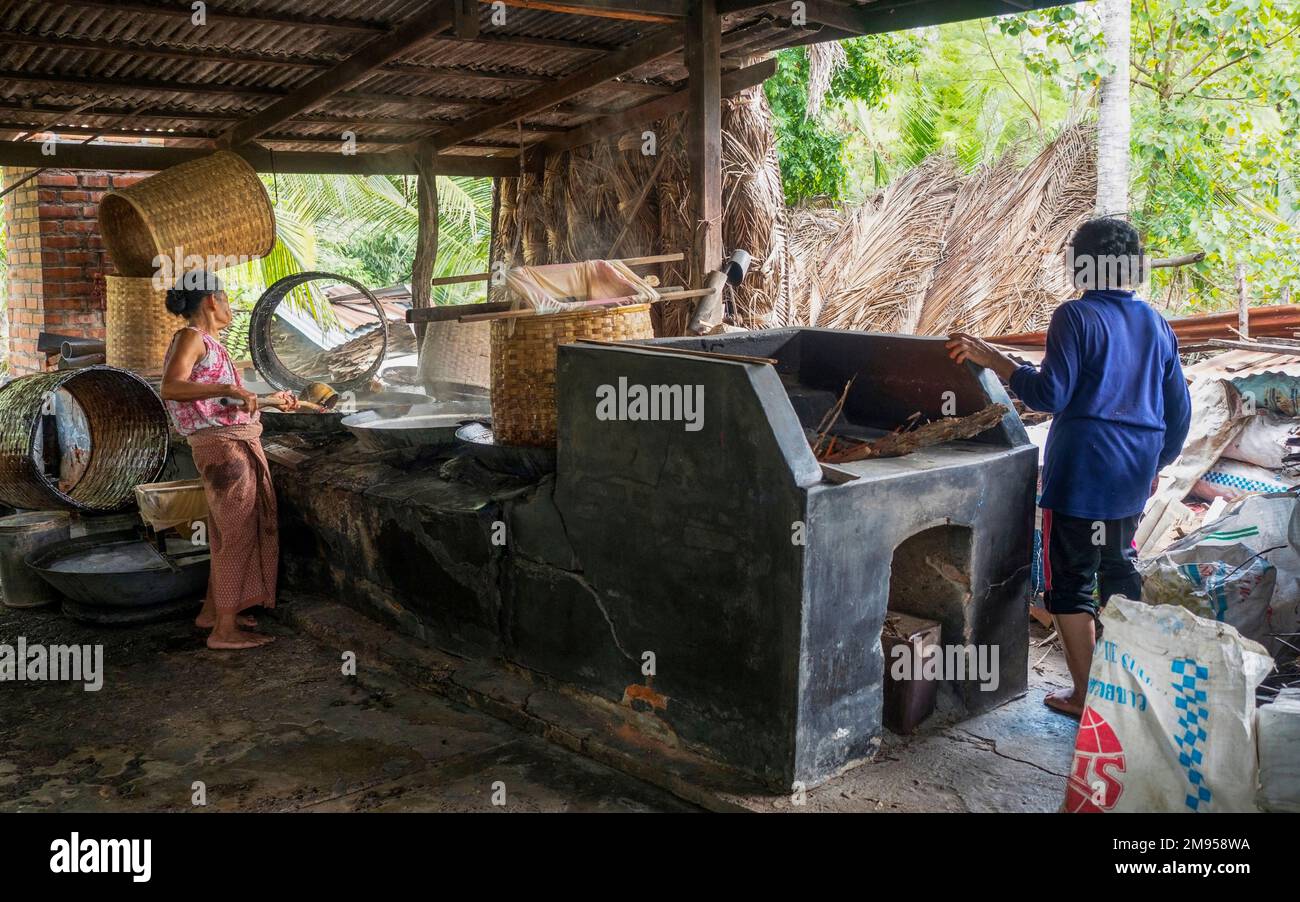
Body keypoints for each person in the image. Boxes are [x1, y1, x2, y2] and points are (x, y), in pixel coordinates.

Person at [945, 217, 1192, 717]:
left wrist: (999, 362)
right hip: (1131, 474)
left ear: (1082, 264)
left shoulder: (1075, 318)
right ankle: (1129, 696)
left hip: (1084, 471)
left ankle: (1085, 697)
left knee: (1070, 583)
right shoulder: (1156, 324)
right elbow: (1179, 411)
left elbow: (1050, 393)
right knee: (1119, 567)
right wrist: (1155, 463)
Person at [160, 271, 297, 650]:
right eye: (225, 296)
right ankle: (224, 631)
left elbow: (220, 402)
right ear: (210, 300)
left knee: (224, 533)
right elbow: (171, 386)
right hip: (222, 449)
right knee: (236, 534)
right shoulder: (191, 337)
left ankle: (211, 613)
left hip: (224, 443)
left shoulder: (212, 344)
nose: (230, 304)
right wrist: (228, 387)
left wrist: (269, 401)